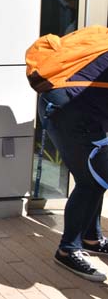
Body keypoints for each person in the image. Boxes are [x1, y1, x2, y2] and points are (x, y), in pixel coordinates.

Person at [38, 50, 108, 283]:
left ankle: (92, 239)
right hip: (67, 110)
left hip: (76, 106)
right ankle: (67, 250)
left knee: (98, 175)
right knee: (92, 180)